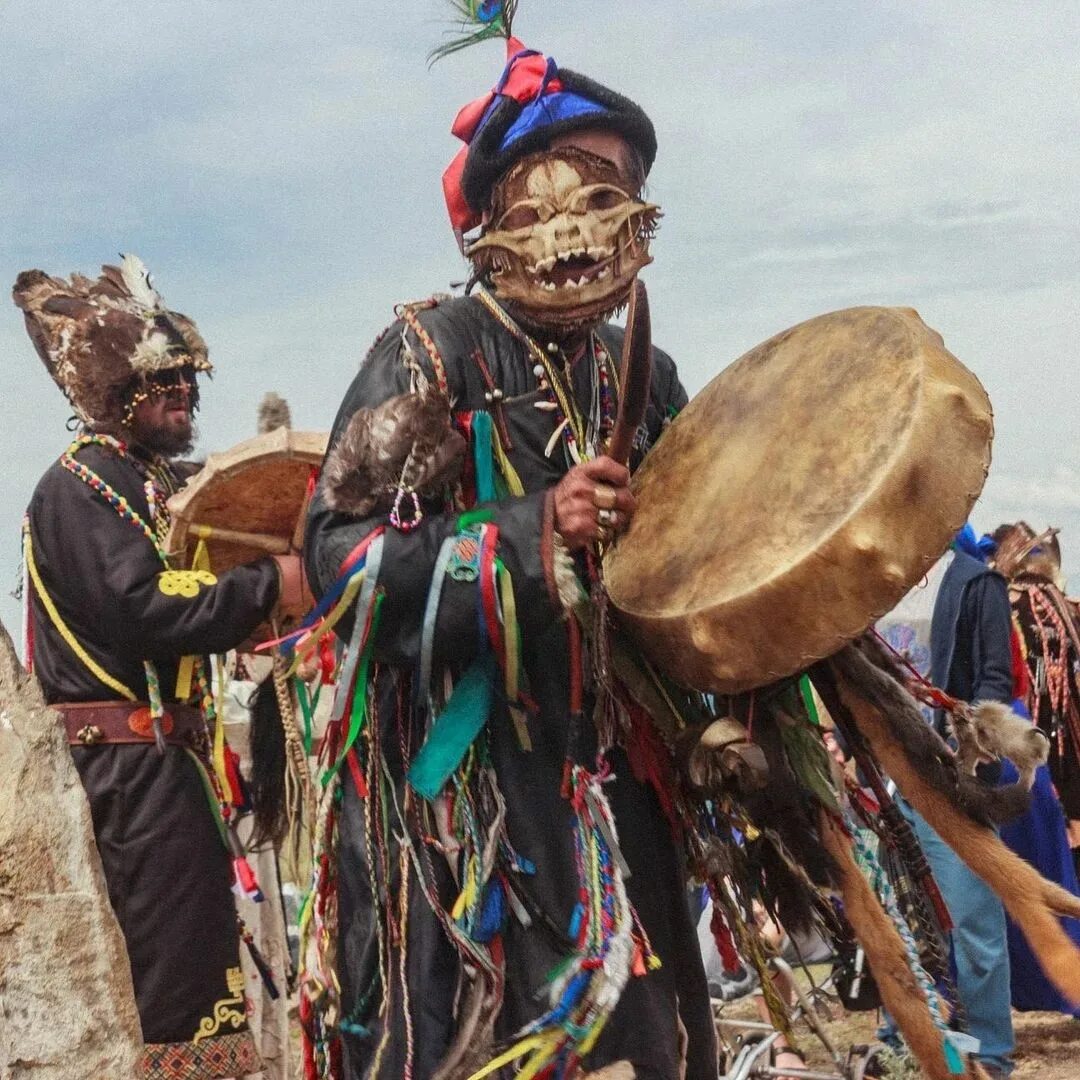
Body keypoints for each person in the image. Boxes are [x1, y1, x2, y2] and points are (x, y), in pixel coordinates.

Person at [301, 16, 716, 1080]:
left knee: (646, 1044)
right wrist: (534, 535)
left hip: (620, 777)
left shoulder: (645, 371)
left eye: (607, 186)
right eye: (550, 191)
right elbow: (336, 562)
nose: (577, 220)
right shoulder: (429, 355)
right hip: (472, 808)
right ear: (494, 218)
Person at [14, 257, 308, 1079]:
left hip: (169, 770)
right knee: (169, 1005)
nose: (183, 390)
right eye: (160, 378)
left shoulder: (153, 483)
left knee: (206, 994)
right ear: (111, 391)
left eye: (186, 374)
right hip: (125, 781)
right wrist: (265, 585)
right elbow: (144, 610)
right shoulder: (76, 488)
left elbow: (184, 596)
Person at [878, 527, 1016, 1078]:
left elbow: (994, 680)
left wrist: (971, 750)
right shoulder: (878, 581)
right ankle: (906, 1045)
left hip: (950, 781)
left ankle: (991, 1057)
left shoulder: (976, 582)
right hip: (883, 780)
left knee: (974, 924)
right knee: (900, 925)